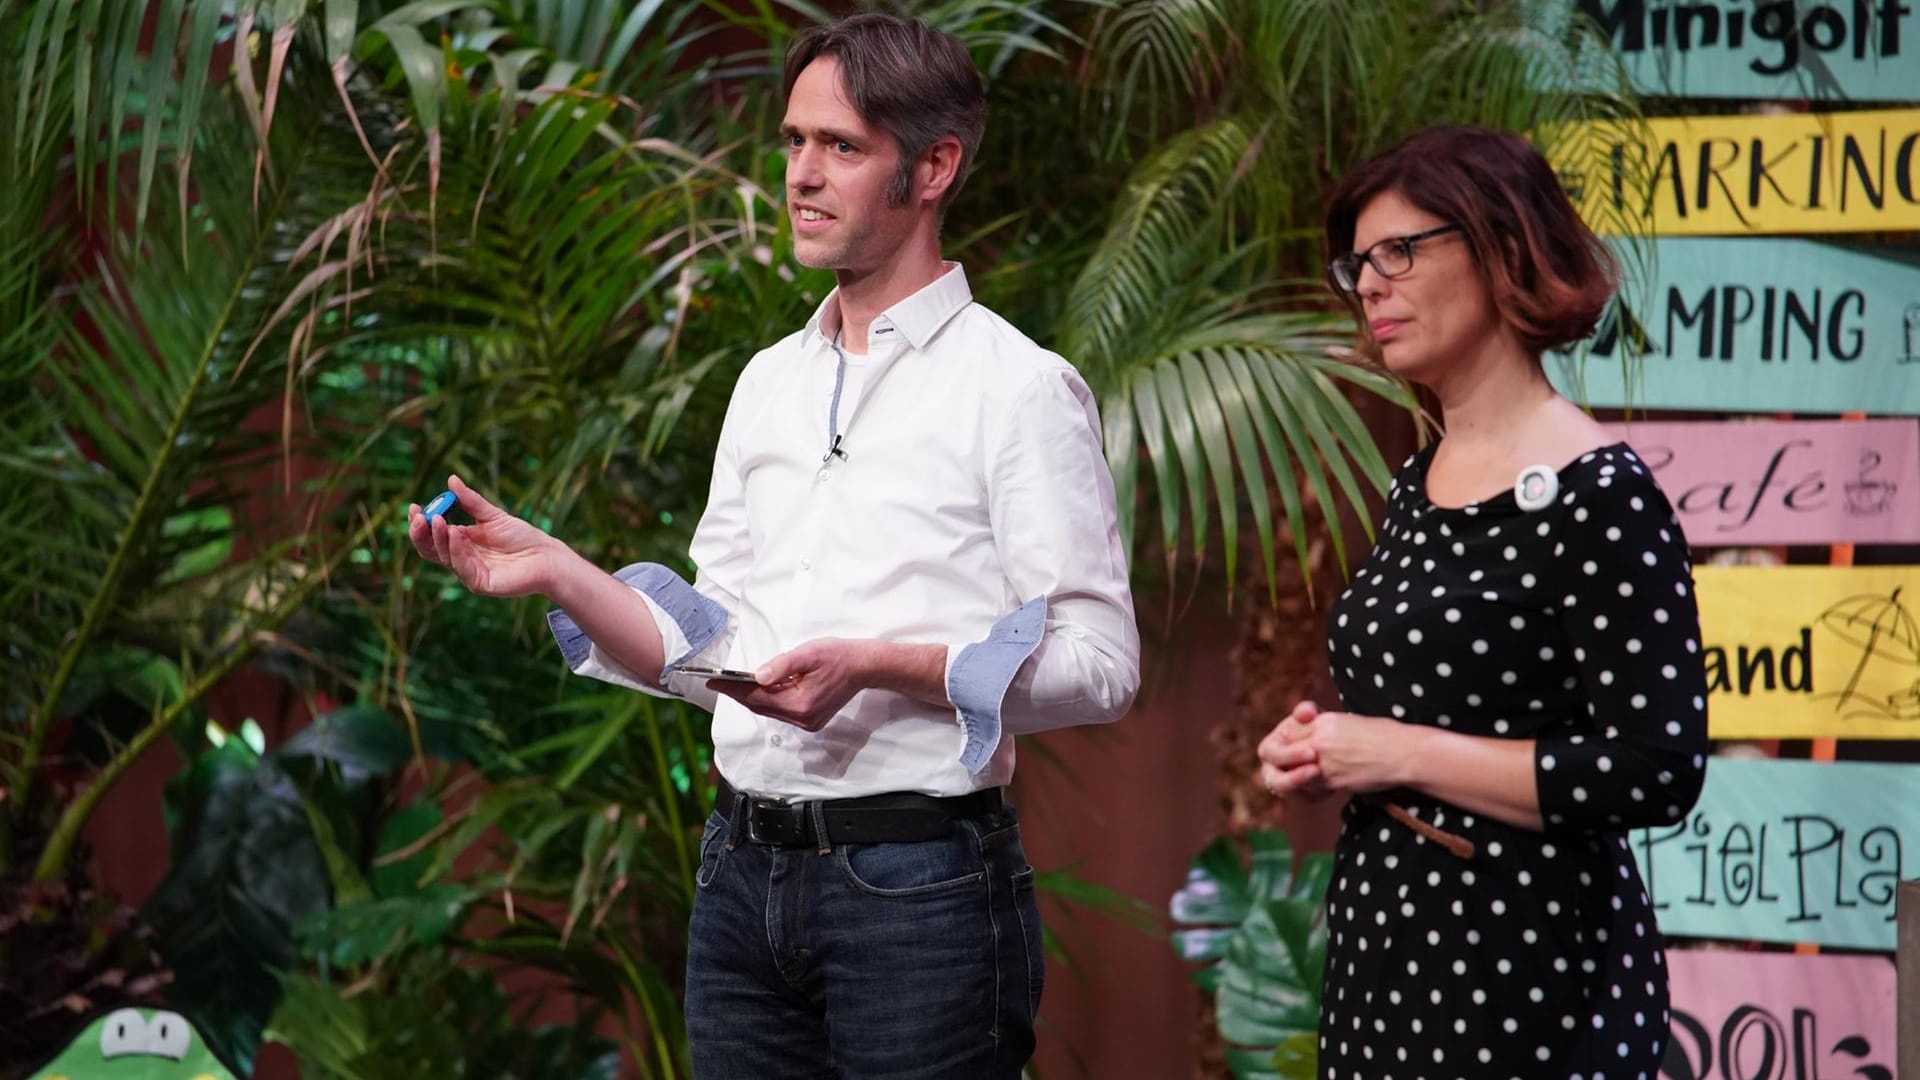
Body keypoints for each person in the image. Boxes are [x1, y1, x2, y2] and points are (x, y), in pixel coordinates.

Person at [406, 12, 1139, 1079]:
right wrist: (561, 570)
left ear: (933, 167)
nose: (801, 174)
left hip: (920, 888)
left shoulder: (1016, 388)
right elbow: (717, 652)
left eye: (842, 147)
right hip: (739, 881)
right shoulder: (766, 383)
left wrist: (884, 666)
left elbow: (1103, 672)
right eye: (794, 141)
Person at [1255, 126, 1709, 1077]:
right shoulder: (1415, 483)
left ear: (1502, 247)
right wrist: (1322, 748)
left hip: (1531, 970)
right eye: (1358, 266)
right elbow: (1421, 711)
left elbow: (1654, 769)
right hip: (1388, 954)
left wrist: (1395, 750)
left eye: (1402, 252)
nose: (1370, 285)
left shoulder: (1600, 489)